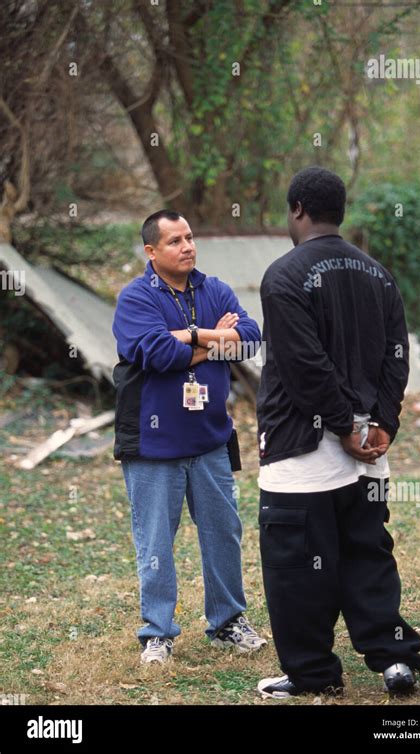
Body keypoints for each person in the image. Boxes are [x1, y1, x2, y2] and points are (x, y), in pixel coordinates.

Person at [256, 166, 420, 699]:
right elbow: (396, 359)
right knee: (367, 554)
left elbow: (306, 367)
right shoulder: (380, 274)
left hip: (303, 453)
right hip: (370, 452)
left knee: (297, 566)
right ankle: (397, 662)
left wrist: (345, 428)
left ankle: (313, 675)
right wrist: (383, 425)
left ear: (298, 210)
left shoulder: (283, 276)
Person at [112, 210, 266, 664]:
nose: (187, 246)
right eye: (175, 241)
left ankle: (227, 622)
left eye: (190, 237)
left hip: (210, 441)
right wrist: (214, 336)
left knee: (223, 533)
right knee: (156, 542)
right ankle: (157, 633)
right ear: (151, 251)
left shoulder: (213, 288)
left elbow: (251, 339)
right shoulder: (136, 297)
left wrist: (191, 338)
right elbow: (156, 352)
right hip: (153, 445)